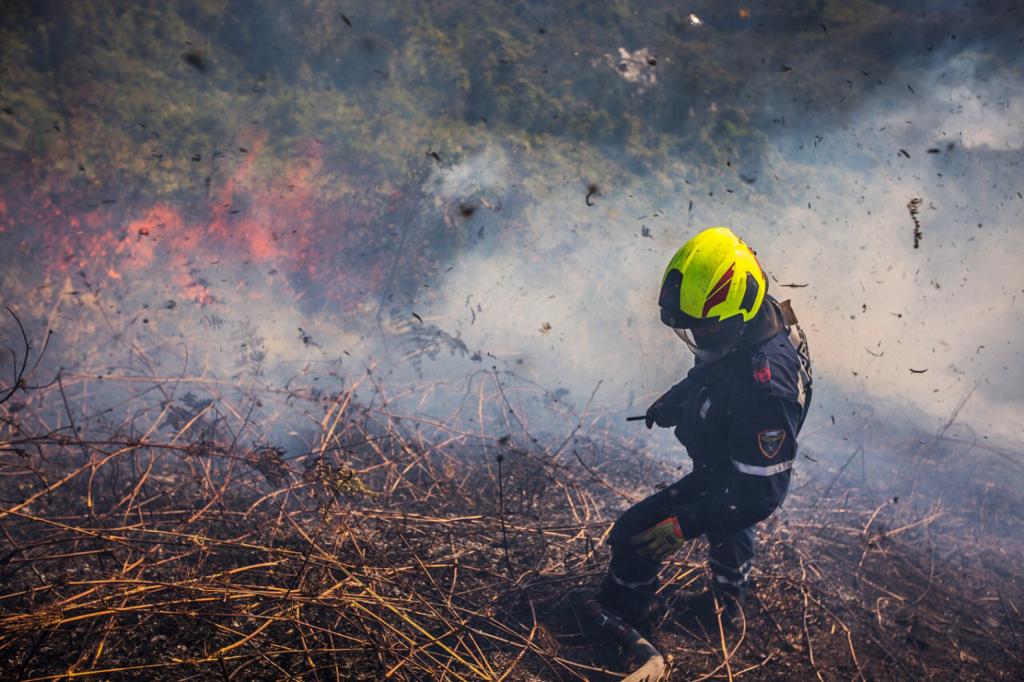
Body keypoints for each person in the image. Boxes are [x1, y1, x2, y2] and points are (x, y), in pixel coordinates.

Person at [599, 226, 813, 632]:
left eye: (706, 330)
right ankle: (725, 611)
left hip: (739, 468)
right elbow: (719, 370)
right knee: (730, 519)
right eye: (693, 328)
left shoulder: (765, 391)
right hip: (735, 444)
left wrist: (684, 523)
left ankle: (623, 618)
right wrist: (681, 397)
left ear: (741, 311)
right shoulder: (743, 324)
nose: (699, 338)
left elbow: (758, 493)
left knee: (635, 535)